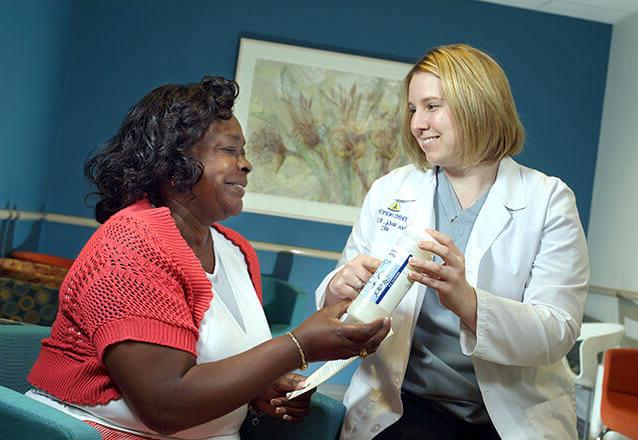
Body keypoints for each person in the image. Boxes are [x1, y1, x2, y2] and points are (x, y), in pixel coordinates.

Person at [26, 76, 390, 439]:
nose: (246, 164)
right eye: (230, 150)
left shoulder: (236, 251)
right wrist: (297, 345)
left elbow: (217, 364)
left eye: (244, 151)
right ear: (172, 165)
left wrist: (262, 390)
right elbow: (164, 404)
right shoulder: (129, 248)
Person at [316, 44, 589, 439]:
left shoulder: (548, 200)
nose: (417, 124)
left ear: (477, 105)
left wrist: (469, 302)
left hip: (505, 417)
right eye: (413, 109)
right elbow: (341, 303)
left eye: (432, 106)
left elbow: (557, 332)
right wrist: (338, 288)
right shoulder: (390, 190)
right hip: (401, 406)